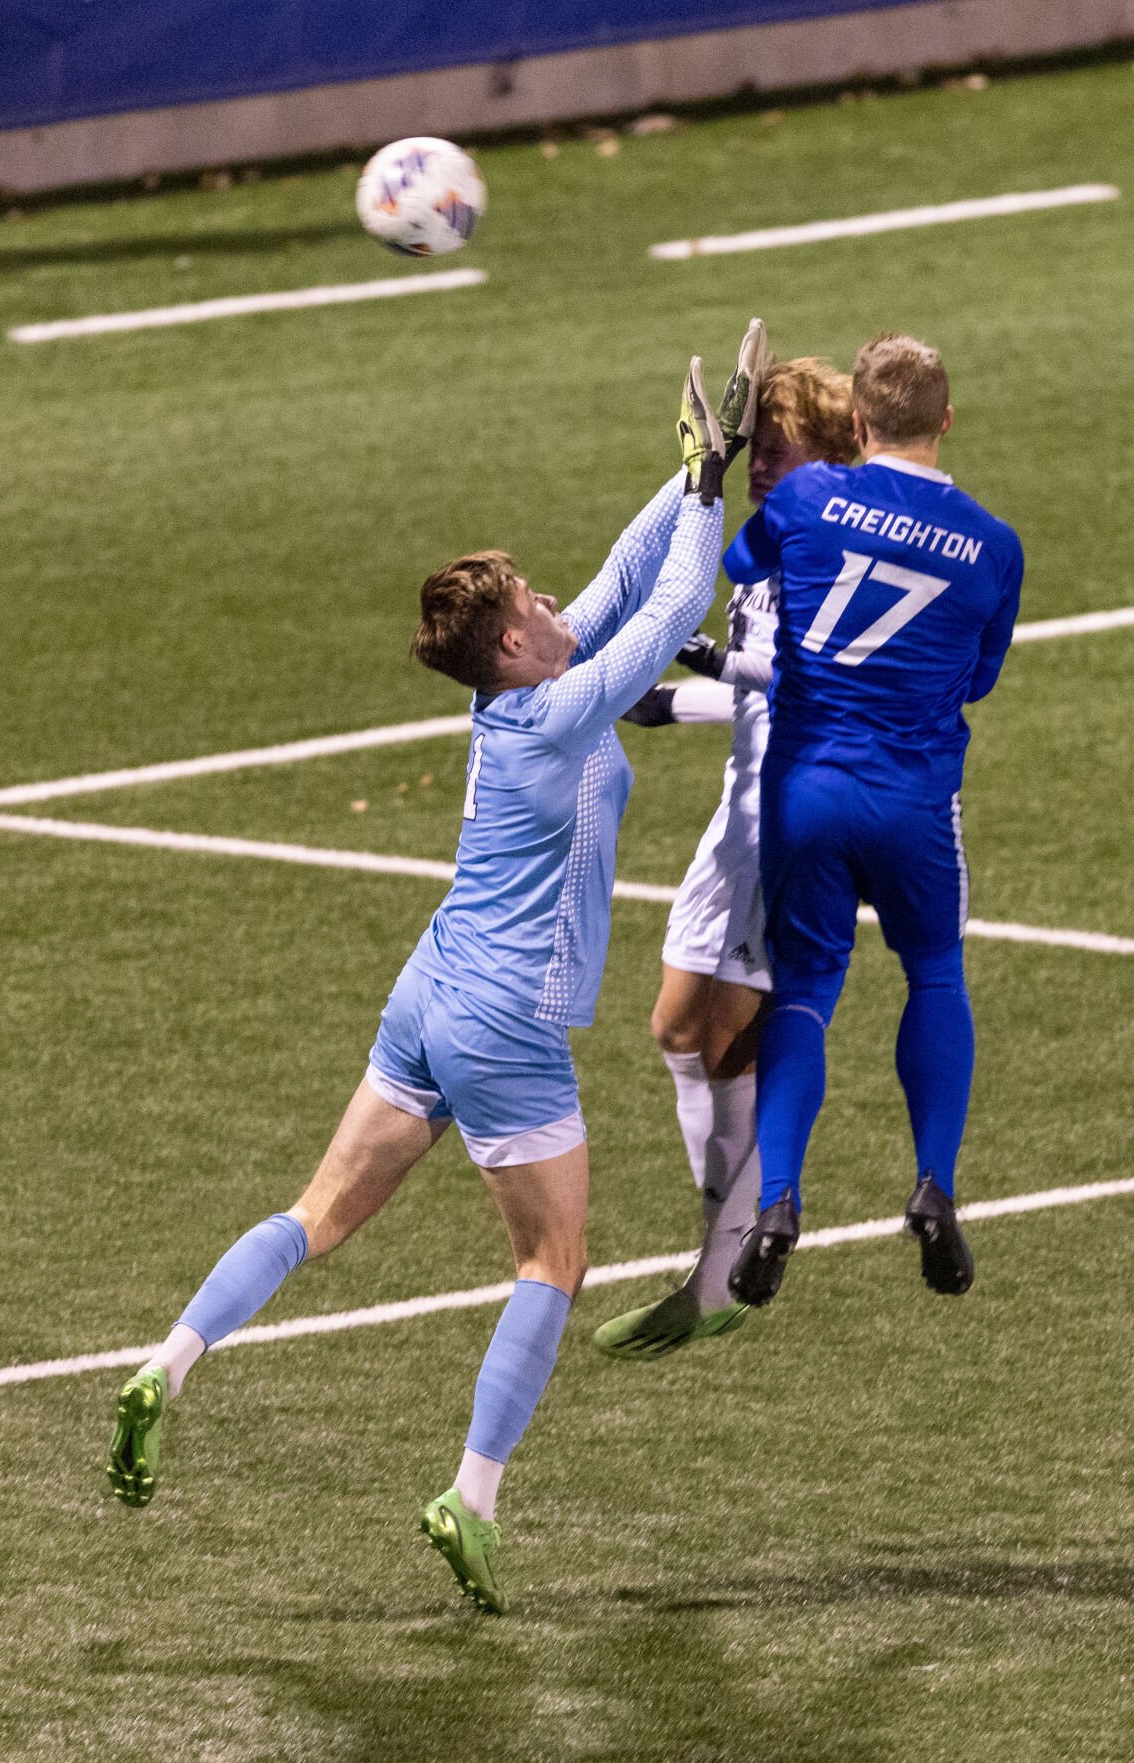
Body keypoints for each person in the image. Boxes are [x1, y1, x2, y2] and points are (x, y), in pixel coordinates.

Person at [104, 349, 752, 1616]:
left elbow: (625, 579)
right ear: (516, 639)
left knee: (318, 1215)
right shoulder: (562, 709)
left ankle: (167, 1363)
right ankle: (474, 1493)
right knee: (554, 1259)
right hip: (505, 1020)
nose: (559, 594)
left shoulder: (516, 699)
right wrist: (711, 494)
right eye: (534, 596)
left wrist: (684, 473)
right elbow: (670, 609)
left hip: (431, 987)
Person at [725, 333, 1024, 1310]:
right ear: (946, 420)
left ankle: (776, 1201)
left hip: (804, 787)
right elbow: (979, 675)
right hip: (913, 799)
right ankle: (934, 1180)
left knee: (806, 986)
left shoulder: (808, 497)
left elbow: (740, 562)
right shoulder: (993, 544)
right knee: (934, 969)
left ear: (856, 423)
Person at [595, 356, 857, 1359]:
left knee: (732, 1040)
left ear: (829, 454)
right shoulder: (773, 539)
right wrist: (677, 701)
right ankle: (730, 1240)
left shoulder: (835, 551)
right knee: (673, 1029)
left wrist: (697, 664)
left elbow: (812, 685)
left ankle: (725, 1268)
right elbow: (763, 690)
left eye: (779, 446)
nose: (763, 462)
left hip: (789, 820)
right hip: (734, 813)